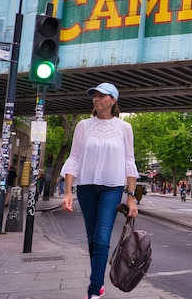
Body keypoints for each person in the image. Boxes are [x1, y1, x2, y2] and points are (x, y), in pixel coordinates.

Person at [60, 82, 139, 299]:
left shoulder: (124, 128)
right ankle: (98, 282)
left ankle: (94, 290)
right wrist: (68, 191)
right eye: (94, 95)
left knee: (102, 237)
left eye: (101, 96)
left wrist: (131, 197)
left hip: (112, 189)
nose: (96, 99)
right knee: (92, 239)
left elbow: (129, 162)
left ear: (113, 101)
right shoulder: (83, 126)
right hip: (85, 188)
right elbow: (74, 158)